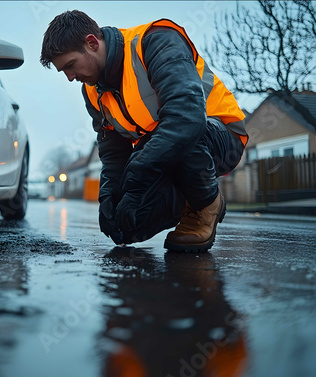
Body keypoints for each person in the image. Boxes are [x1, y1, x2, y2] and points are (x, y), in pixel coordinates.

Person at [40, 10, 248, 251]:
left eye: (71, 65)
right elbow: (113, 152)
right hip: (164, 149)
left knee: (180, 133)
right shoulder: (92, 90)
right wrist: (110, 197)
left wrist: (138, 177)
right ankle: (185, 198)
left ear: (92, 43)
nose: (70, 77)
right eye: (63, 71)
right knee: (126, 225)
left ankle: (205, 203)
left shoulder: (156, 41)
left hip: (218, 135)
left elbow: (187, 118)